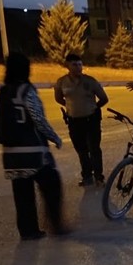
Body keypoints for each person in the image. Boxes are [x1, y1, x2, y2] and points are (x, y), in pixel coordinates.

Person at [0, 52, 65, 240]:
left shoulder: (5, 91)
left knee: (22, 193)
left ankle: (28, 231)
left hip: (10, 155)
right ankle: (55, 224)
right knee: (51, 184)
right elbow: (38, 119)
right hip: (32, 153)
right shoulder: (26, 90)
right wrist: (55, 138)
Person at [53, 53, 108, 187]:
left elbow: (104, 98)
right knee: (81, 150)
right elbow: (59, 98)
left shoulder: (90, 81)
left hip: (91, 120)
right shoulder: (62, 82)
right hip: (74, 121)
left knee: (94, 149)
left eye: (80, 64)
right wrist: (70, 107)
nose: (78, 67)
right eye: (74, 64)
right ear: (67, 66)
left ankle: (99, 177)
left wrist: (93, 107)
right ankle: (87, 176)